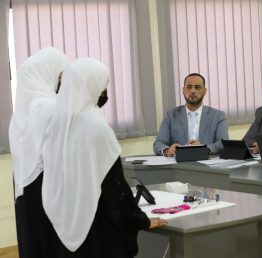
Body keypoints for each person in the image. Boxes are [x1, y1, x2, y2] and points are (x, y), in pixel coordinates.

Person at [42, 58, 167, 257]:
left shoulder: (57, 124)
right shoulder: (95, 125)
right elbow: (114, 186)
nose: (104, 92)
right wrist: (140, 220)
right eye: (103, 86)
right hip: (98, 228)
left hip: (65, 221)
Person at [8, 47, 69, 258]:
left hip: (25, 189)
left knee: (32, 242)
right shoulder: (51, 107)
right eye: (60, 75)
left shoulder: (18, 116)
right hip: (51, 188)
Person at [153, 73, 229, 156]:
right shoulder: (171, 115)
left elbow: (222, 143)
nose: (193, 91)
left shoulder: (218, 116)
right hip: (179, 165)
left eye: (197, 87)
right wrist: (167, 150)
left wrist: (203, 148)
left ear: (205, 91)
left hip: (207, 164)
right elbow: (159, 143)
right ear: (183, 90)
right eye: (189, 87)